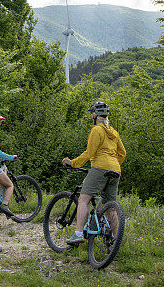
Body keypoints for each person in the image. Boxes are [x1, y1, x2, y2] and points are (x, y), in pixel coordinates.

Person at [62, 101, 126, 245]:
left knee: (84, 199)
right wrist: (113, 165)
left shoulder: (96, 130)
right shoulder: (114, 132)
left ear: (95, 115)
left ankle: (78, 233)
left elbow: (89, 153)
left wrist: (73, 163)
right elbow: (122, 153)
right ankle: (114, 241)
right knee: (110, 206)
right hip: (115, 169)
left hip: (99, 168)